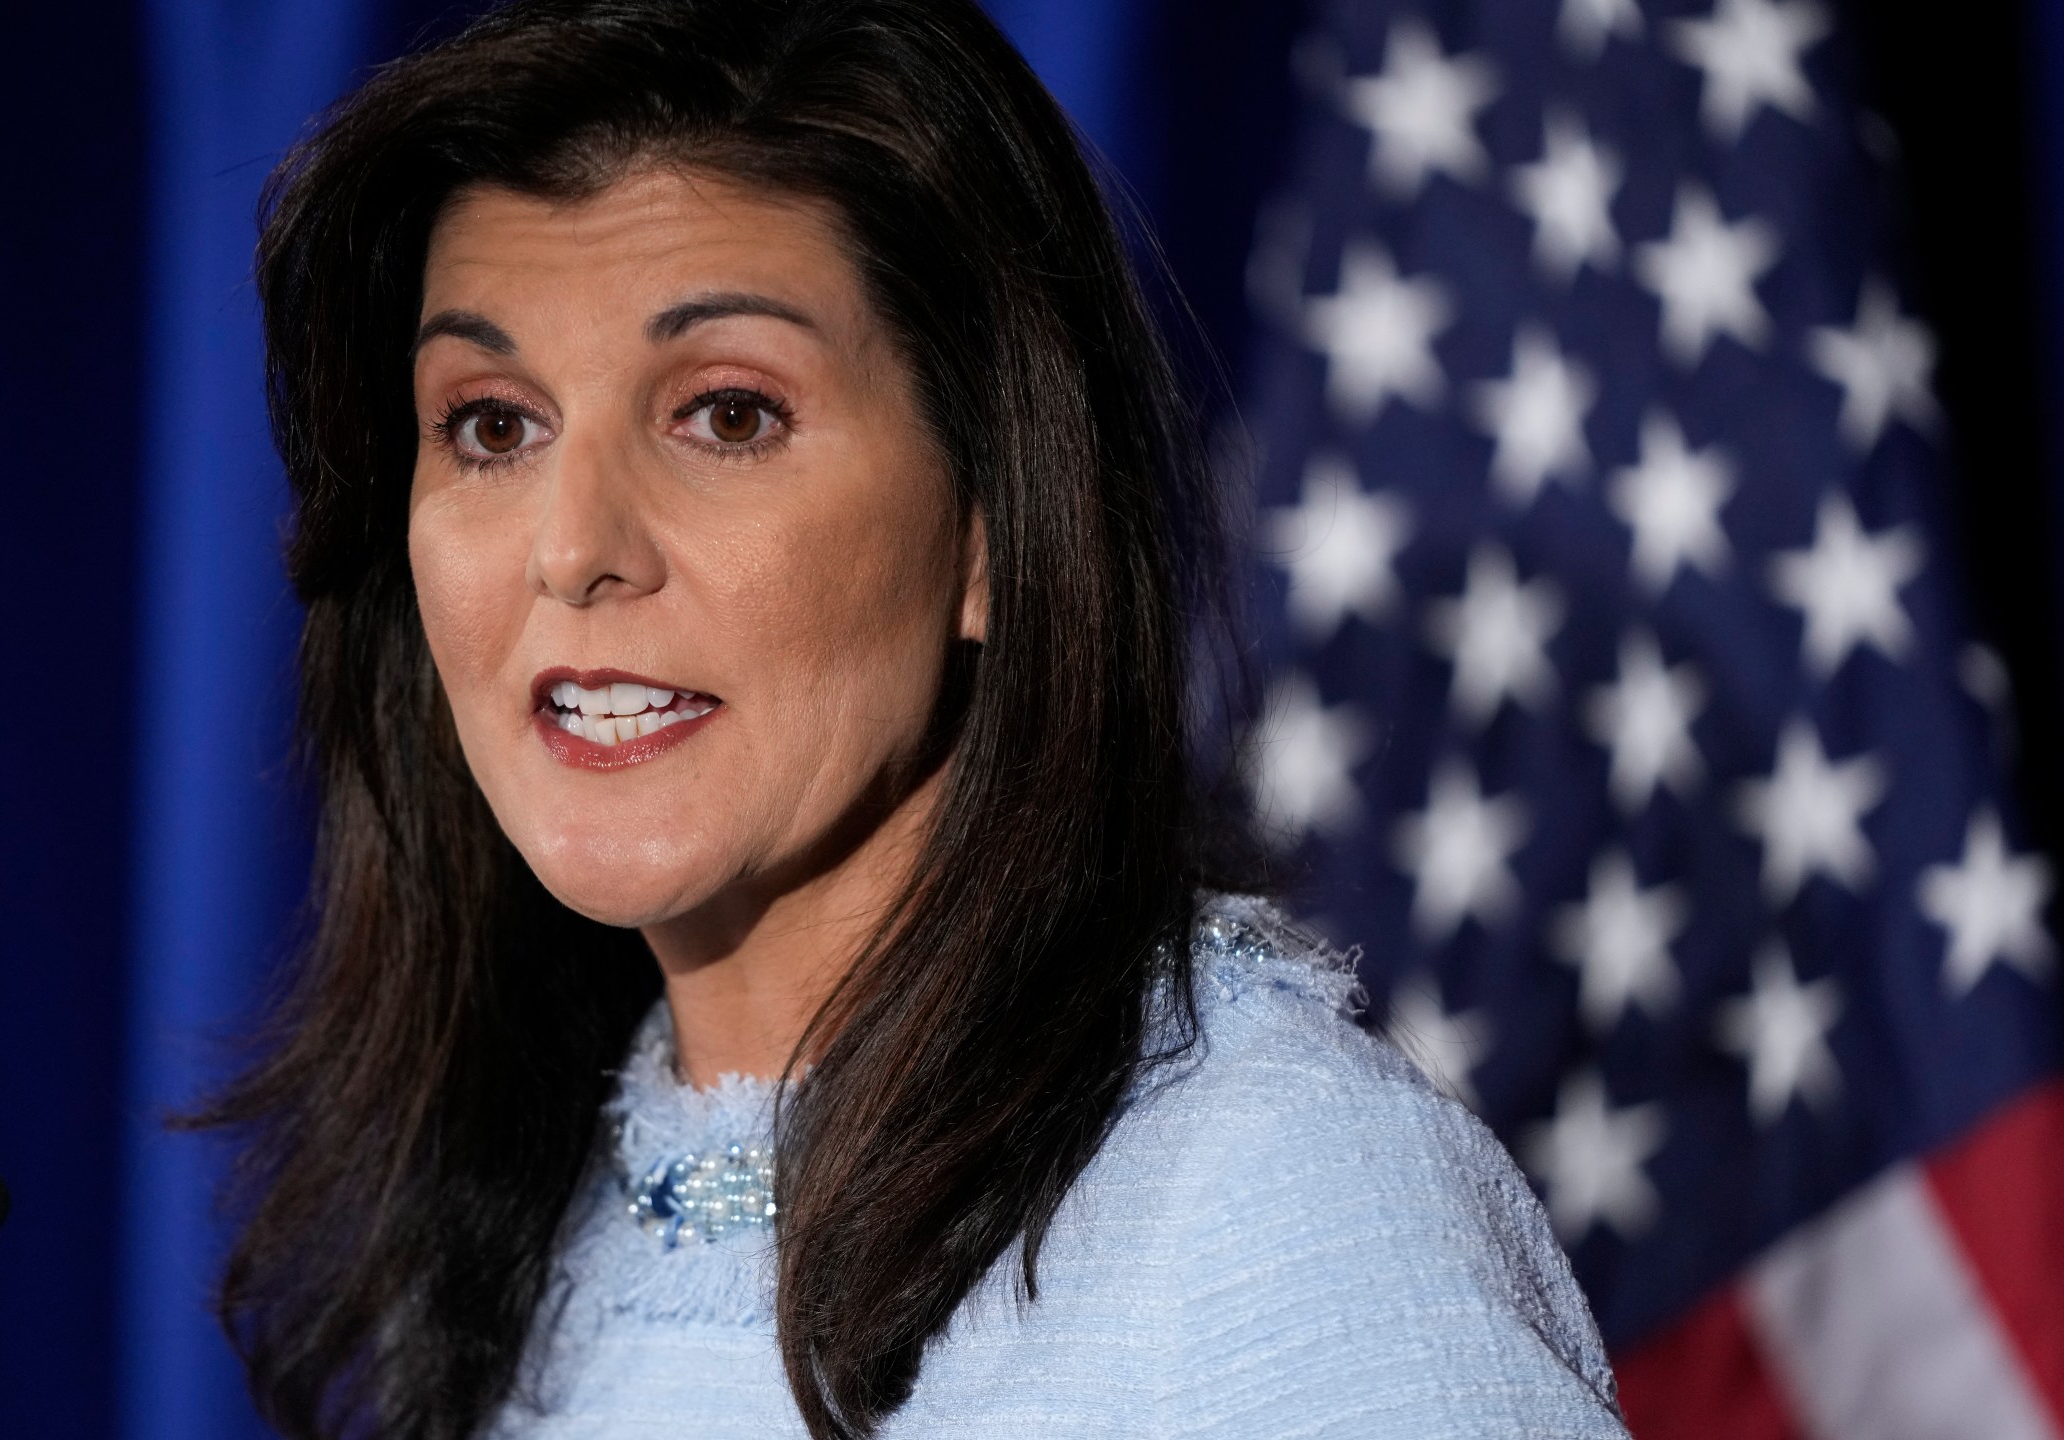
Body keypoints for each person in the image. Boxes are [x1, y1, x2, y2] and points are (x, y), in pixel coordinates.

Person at [198, 1, 1632, 1436]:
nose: (572, 549)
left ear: (994, 529)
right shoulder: (536, 1223)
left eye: (728, 415)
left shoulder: (1277, 1211)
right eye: (494, 425)